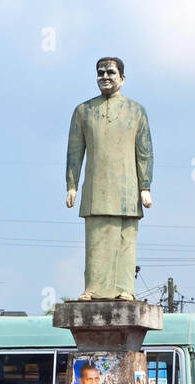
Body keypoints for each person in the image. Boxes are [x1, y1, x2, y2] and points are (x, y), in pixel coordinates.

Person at [65, 56, 153, 300]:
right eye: (100, 73)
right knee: (95, 238)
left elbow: (144, 151)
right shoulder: (83, 111)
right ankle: (92, 288)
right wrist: (71, 185)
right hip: (95, 187)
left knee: (125, 240)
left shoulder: (136, 111)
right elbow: (74, 151)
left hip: (128, 188)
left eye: (110, 73)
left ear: (122, 79)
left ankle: (126, 289)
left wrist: (145, 186)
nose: (105, 77)